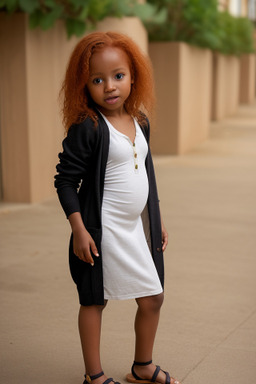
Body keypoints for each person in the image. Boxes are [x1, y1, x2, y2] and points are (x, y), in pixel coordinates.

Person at [54, 31, 181, 384]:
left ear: (133, 76)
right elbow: (66, 181)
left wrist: (157, 219)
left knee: (153, 297)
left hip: (134, 230)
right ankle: (93, 375)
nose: (110, 86)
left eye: (118, 76)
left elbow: (144, 175)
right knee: (95, 301)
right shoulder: (89, 126)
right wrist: (79, 229)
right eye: (98, 80)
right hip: (102, 230)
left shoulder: (140, 121)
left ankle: (142, 365)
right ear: (85, 85)